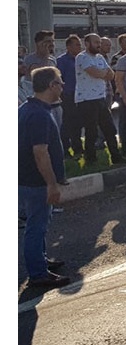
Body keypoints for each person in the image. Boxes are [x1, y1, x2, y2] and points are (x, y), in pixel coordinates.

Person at [19, 66, 71, 288]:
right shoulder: (39, 115)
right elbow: (40, 153)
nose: (62, 86)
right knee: (36, 226)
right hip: (36, 180)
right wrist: (51, 184)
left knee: (37, 222)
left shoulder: (26, 108)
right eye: (60, 82)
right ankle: (38, 273)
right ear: (51, 86)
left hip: (25, 177)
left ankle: (40, 260)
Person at [76, 33, 126, 165]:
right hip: (86, 99)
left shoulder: (100, 57)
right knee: (91, 130)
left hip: (100, 97)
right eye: (95, 42)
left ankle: (116, 157)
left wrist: (102, 73)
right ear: (87, 44)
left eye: (99, 42)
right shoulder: (82, 57)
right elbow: (96, 73)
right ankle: (91, 159)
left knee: (110, 129)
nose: (98, 45)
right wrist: (102, 73)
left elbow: (111, 74)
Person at [56, 35, 84, 158]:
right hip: (68, 95)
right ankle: (65, 149)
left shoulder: (82, 59)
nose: (80, 47)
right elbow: (59, 79)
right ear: (68, 46)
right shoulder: (62, 61)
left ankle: (78, 148)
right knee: (67, 123)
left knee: (78, 123)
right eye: (77, 44)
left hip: (81, 95)